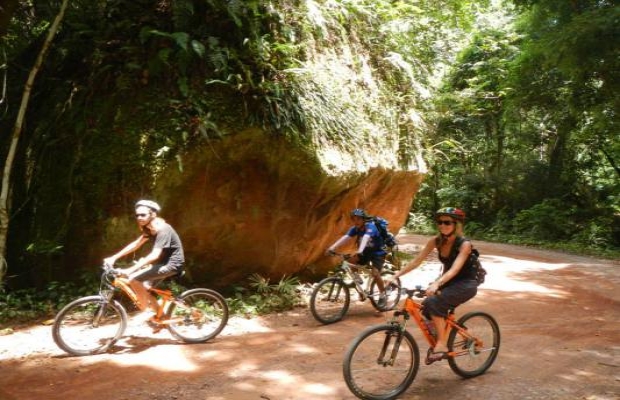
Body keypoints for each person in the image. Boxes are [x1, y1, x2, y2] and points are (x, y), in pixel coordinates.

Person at [388, 207, 478, 363]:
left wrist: (437, 283)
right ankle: (441, 333)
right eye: (440, 222)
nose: (442, 226)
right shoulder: (435, 241)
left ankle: (441, 345)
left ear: (456, 225)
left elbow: (456, 268)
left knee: (434, 303)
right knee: (427, 306)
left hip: (466, 283)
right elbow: (417, 261)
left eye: (447, 222)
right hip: (449, 281)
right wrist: (395, 275)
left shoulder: (464, 244)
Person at [103, 200, 185, 315]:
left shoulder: (163, 230)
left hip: (171, 265)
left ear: (153, 214)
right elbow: (136, 244)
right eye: (137, 215)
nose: (139, 217)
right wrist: (114, 257)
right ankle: (160, 317)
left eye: (143, 215)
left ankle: (146, 312)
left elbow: (154, 255)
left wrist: (131, 269)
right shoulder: (150, 228)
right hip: (161, 263)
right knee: (144, 287)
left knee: (134, 280)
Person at [326, 208, 388, 309]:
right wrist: (332, 248)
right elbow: (345, 238)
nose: (356, 221)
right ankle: (357, 279)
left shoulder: (371, 226)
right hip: (366, 252)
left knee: (375, 274)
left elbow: (366, 237)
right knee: (350, 261)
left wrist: (359, 251)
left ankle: (383, 295)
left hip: (378, 252)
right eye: (354, 219)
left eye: (358, 219)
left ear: (364, 219)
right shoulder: (355, 228)